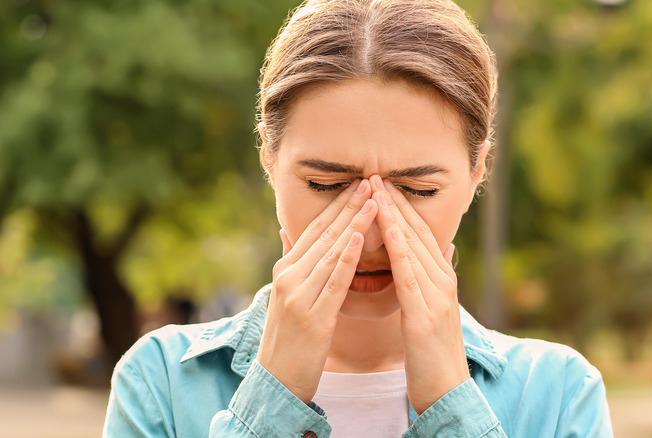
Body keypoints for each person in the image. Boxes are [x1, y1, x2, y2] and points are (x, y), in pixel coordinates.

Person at [103, 0, 613, 436]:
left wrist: (451, 406)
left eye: (417, 190)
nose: (371, 231)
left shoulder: (558, 394)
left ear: (477, 169)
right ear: (269, 160)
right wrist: (270, 401)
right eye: (327, 185)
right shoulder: (162, 383)